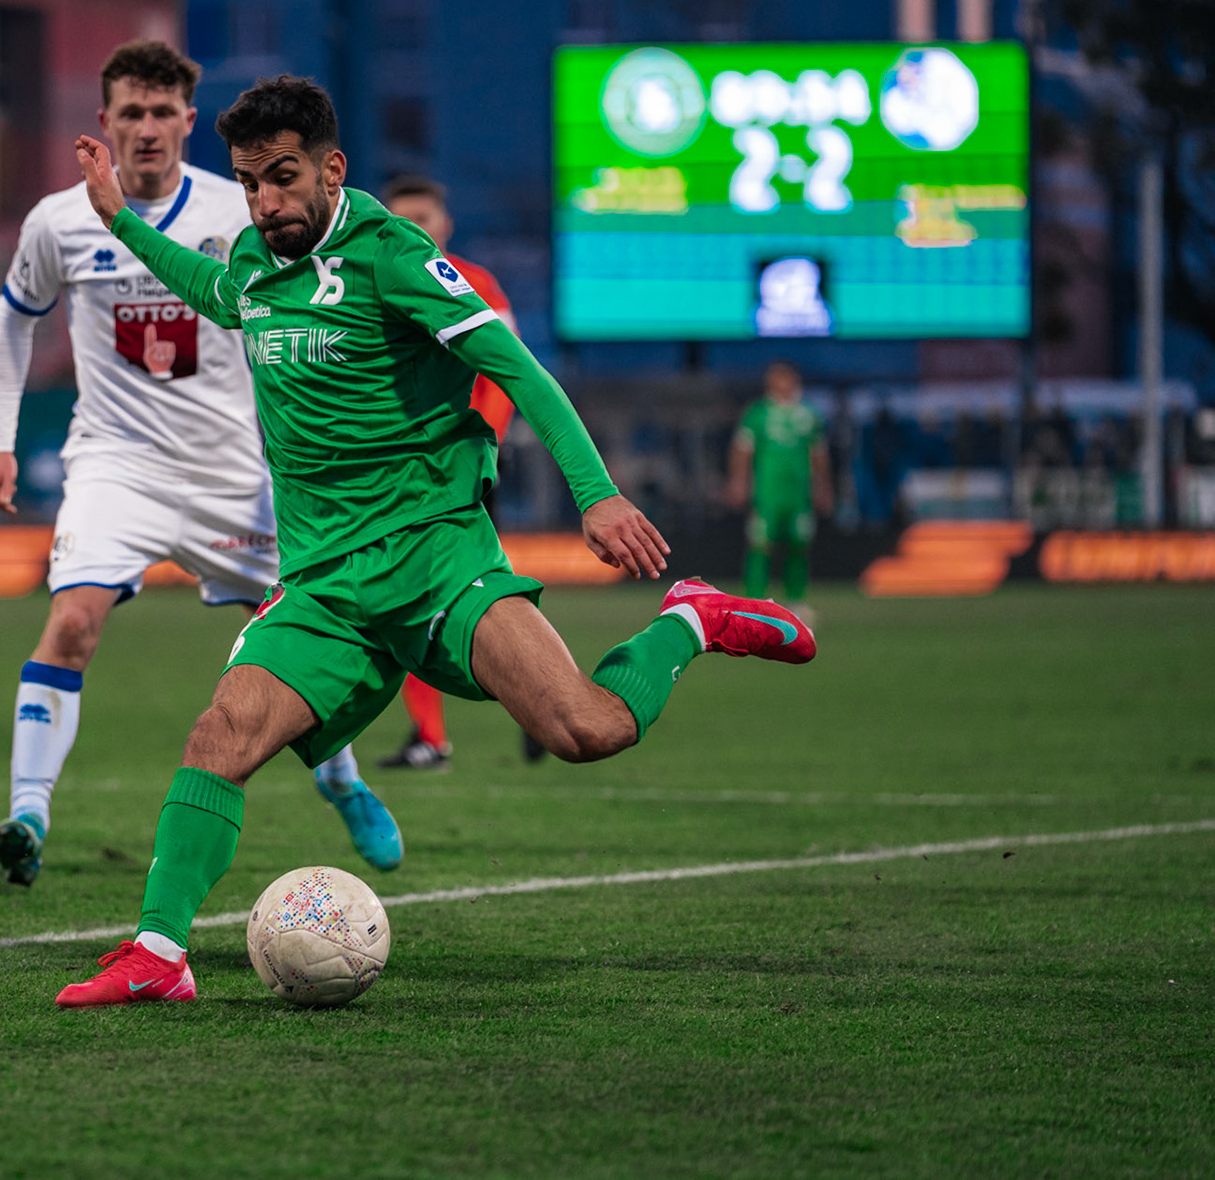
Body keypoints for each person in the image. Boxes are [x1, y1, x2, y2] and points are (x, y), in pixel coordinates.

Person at [52, 76, 816, 1008]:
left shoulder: (393, 256)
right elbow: (212, 291)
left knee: (585, 729)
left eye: (283, 177)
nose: (266, 202)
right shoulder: (255, 258)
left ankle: (689, 622)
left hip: (437, 559)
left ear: (331, 168)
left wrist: (599, 494)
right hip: (326, 587)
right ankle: (159, 955)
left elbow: (515, 368)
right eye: (250, 182)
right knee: (220, 734)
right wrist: (121, 220)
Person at [0, 41, 400, 887]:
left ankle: (345, 783)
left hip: (233, 473)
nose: (147, 128)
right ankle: (28, 813)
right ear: (105, 123)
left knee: (303, 638)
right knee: (72, 620)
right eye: (130, 112)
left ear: (187, 123)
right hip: (115, 466)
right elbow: (13, 318)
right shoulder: (58, 220)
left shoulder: (239, 208)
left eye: (163, 112)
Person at [376, 175, 519, 772]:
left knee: (493, 600)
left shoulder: (477, 284)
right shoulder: (371, 278)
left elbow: (509, 373)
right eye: (402, 218)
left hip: (468, 467)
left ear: (445, 225)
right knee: (407, 602)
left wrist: (479, 449)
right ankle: (430, 737)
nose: (415, 229)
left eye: (424, 218)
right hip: (402, 472)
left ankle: (536, 699)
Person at [727, 361, 831, 621]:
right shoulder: (757, 413)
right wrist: (738, 482)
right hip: (767, 494)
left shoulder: (808, 414)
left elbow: (818, 454)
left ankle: (796, 601)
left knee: (799, 546)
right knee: (760, 545)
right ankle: (753, 603)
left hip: (798, 495)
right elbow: (742, 451)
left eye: (785, 378)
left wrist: (823, 486)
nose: (781, 384)